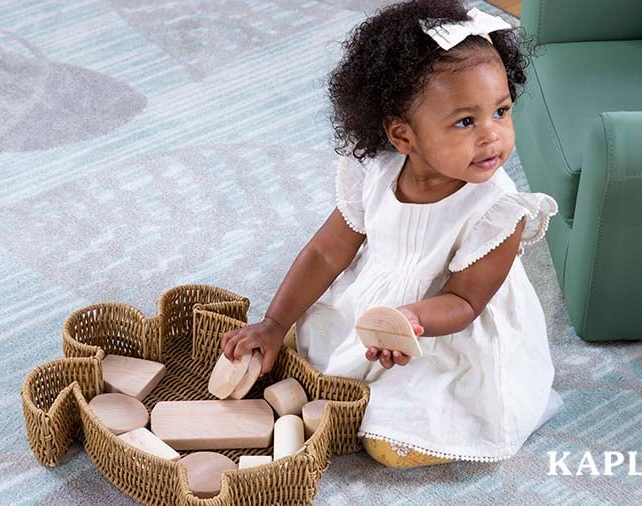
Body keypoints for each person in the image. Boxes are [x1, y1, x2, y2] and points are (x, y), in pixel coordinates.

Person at [222, 0, 562, 468]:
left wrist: (408, 321)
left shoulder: (498, 210)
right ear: (403, 137)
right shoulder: (377, 171)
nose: (492, 135)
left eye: (501, 111)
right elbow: (326, 252)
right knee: (301, 346)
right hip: (379, 304)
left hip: (443, 328)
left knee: (391, 431)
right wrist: (274, 322)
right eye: (466, 121)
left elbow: (465, 304)